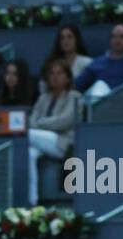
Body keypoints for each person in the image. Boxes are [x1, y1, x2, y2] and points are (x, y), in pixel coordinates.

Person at [26, 59, 81, 206]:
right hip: (42, 140)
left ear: (68, 77)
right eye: (52, 73)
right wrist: (40, 124)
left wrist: (41, 123)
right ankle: (32, 201)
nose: (55, 77)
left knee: (26, 135)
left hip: (63, 143)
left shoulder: (74, 96)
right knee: (29, 154)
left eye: (59, 73)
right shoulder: (43, 98)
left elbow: (65, 121)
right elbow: (31, 121)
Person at [74, 23, 123, 96]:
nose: (117, 40)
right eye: (114, 36)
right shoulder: (98, 63)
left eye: (122, 37)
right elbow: (77, 85)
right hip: (103, 105)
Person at [40, 24, 92, 94]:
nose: (65, 40)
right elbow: (43, 85)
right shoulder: (51, 63)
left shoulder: (87, 63)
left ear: (77, 40)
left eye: (69, 37)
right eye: (62, 38)